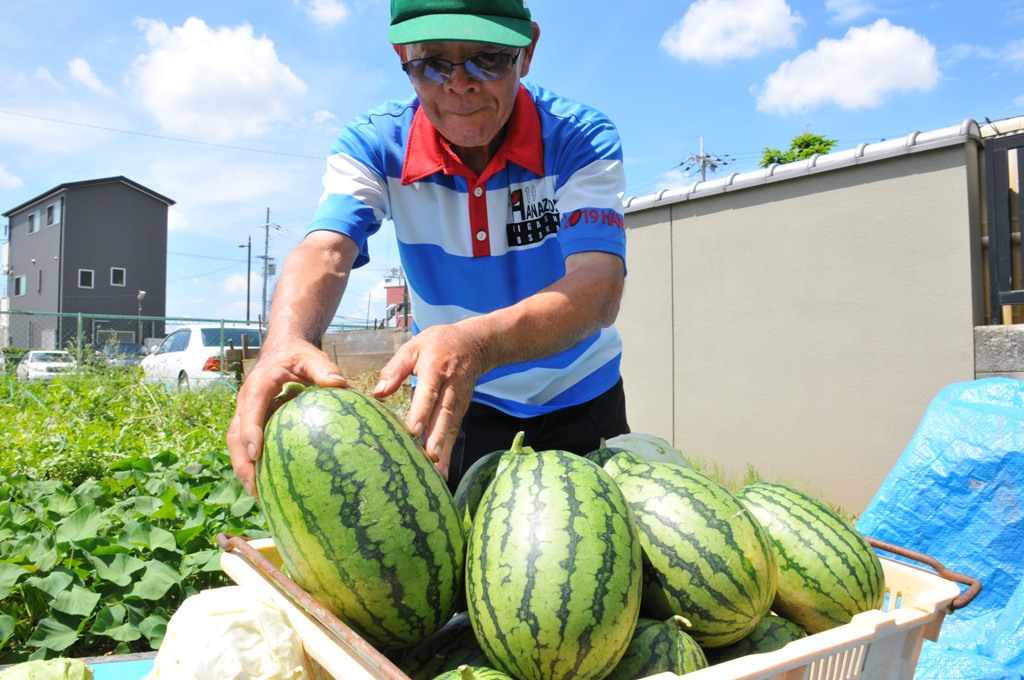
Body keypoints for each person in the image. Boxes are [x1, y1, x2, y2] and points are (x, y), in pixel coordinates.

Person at [227, 0, 630, 496]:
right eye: (432, 63)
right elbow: (327, 250)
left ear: (526, 52)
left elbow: (600, 287)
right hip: (455, 401)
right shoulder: (375, 143)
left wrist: (479, 343)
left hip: (582, 396)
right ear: (401, 55)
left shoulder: (578, 137)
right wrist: (285, 341)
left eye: (488, 57)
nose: (460, 83)